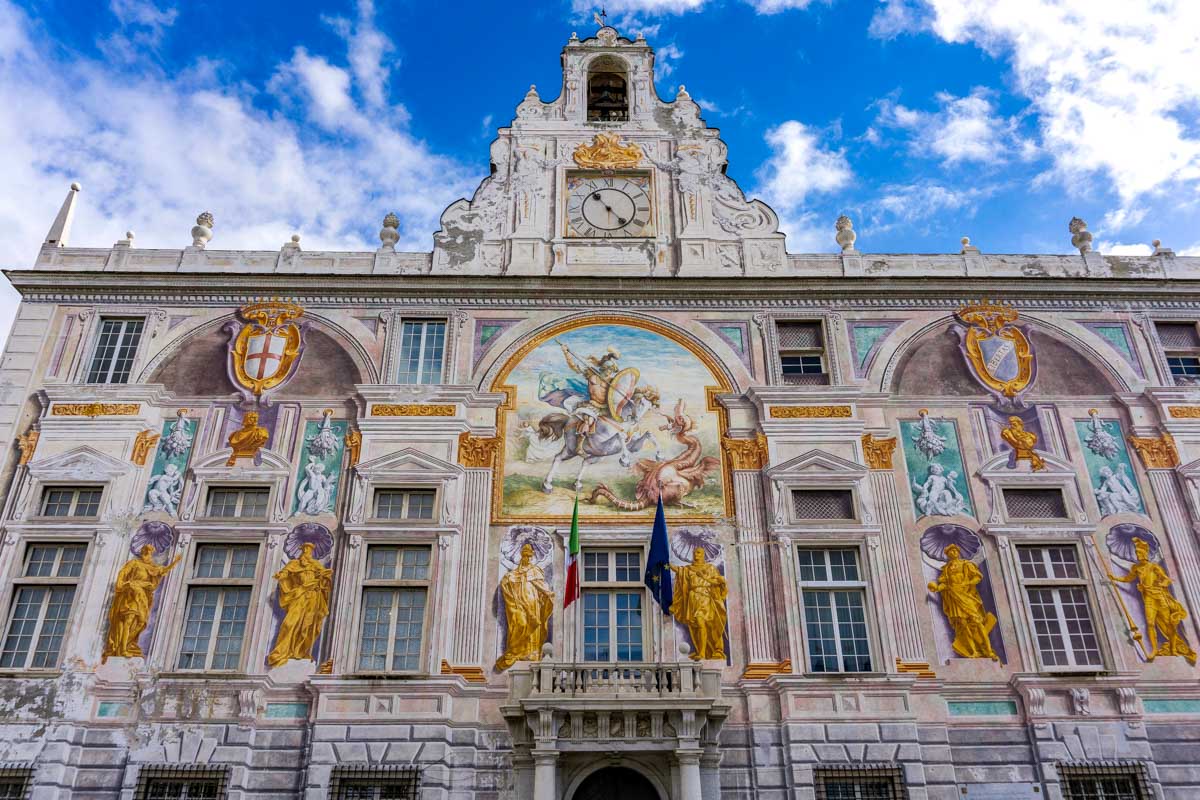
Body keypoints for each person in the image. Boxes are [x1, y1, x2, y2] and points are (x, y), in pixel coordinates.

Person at [1108, 538, 1196, 664]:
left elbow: (1167, 580)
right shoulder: (1136, 568)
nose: (1139, 555)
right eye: (1138, 554)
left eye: (1141, 553)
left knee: (1167, 624)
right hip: (1148, 599)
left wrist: (1161, 584)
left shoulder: (1153, 566)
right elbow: (1128, 578)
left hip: (1159, 597)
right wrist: (1114, 578)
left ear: (1145, 553)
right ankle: (1154, 649)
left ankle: (1173, 647)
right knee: (1150, 623)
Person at [102, 546, 182, 661]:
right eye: (147, 552)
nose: (149, 555)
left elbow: (162, 571)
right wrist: (123, 585)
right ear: (143, 552)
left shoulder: (151, 567)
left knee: (141, 622)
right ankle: (123, 649)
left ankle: (126, 643)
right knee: (128, 621)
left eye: (150, 553)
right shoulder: (134, 563)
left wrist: (175, 561)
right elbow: (122, 574)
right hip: (132, 594)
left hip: (143, 597)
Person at [927, 544, 998, 660]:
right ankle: (973, 651)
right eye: (950, 551)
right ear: (947, 554)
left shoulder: (966, 564)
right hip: (954, 599)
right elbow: (945, 584)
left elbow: (977, 577)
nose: (953, 552)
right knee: (963, 627)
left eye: (954, 550)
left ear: (958, 552)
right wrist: (937, 588)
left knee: (978, 624)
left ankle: (988, 651)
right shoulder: (946, 569)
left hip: (966, 596)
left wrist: (967, 583)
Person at [267, 543, 333, 667]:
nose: (306, 552)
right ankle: (282, 652)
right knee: (289, 623)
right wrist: (281, 575)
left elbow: (326, 578)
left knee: (308, 626)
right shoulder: (294, 564)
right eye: (304, 549)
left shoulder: (315, 565)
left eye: (309, 550)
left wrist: (324, 577)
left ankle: (301, 651)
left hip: (313, 597)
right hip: (298, 596)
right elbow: (285, 573)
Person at [495, 543, 555, 671]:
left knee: (533, 628)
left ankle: (532, 654)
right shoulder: (513, 574)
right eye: (525, 555)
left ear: (532, 557)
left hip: (533, 604)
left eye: (529, 556)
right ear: (522, 556)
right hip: (518, 604)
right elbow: (506, 583)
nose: (527, 558)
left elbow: (540, 585)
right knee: (519, 624)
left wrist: (548, 593)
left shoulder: (535, 571)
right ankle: (516, 652)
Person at [669, 547, 728, 660]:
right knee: (695, 627)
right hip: (693, 599)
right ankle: (700, 650)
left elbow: (718, 582)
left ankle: (705, 652)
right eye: (695, 553)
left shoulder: (710, 568)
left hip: (706, 598)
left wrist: (705, 577)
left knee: (705, 624)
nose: (696, 554)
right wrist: (665, 561)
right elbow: (678, 570)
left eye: (699, 552)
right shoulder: (688, 569)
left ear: (703, 555)